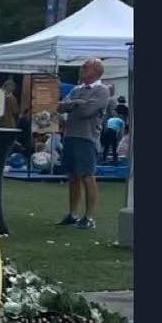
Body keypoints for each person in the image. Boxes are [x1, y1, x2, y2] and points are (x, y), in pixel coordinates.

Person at [56, 58, 111, 228]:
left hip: (87, 138)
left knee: (87, 176)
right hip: (71, 136)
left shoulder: (102, 90)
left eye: (86, 67)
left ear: (96, 71)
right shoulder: (77, 89)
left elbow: (87, 111)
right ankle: (73, 214)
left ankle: (89, 217)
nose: (82, 69)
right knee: (73, 176)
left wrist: (72, 105)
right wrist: (78, 103)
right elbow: (59, 106)